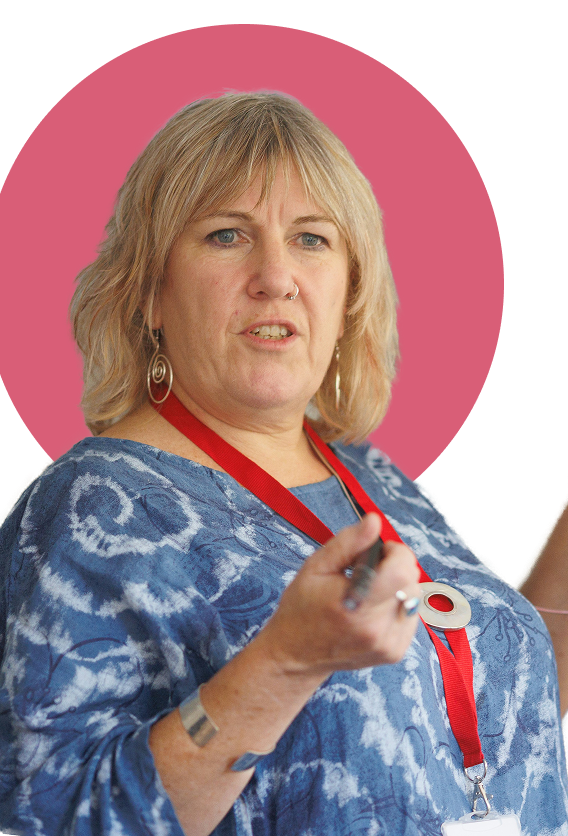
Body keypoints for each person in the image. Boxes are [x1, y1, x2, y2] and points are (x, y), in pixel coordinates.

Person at [0, 92, 566, 836]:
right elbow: (56, 817)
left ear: (349, 291)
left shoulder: (375, 479)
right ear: (150, 294)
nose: (276, 275)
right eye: (227, 235)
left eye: (311, 238)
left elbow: (506, 700)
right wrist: (284, 664)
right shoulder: (88, 507)